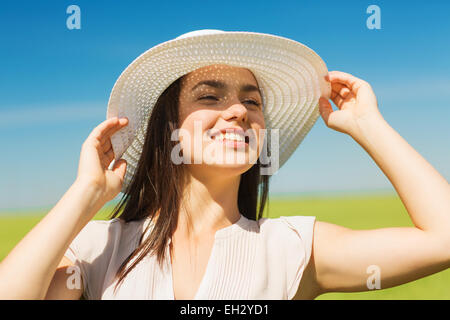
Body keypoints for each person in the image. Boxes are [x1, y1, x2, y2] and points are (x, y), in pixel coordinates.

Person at [0, 31, 448, 300]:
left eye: (251, 101)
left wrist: (369, 125)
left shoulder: (294, 248)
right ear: (168, 127)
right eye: (210, 96)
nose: (238, 111)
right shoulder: (100, 248)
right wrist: (86, 194)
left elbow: (443, 239)